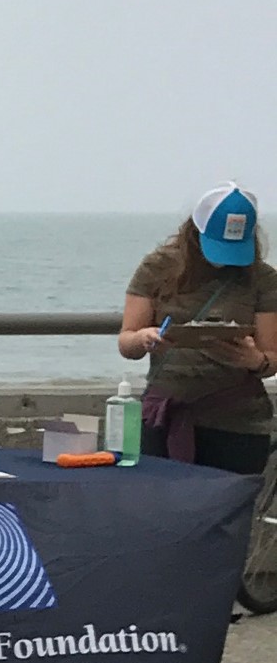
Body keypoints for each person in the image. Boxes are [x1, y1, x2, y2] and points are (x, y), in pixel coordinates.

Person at [119, 185, 277, 472]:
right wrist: (144, 338)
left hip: (238, 422)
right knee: (161, 508)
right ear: (195, 232)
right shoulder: (158, 267)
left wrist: (256, 361)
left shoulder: (262, 279)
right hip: (163, 414)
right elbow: (127, 343)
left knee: (228, 510)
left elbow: (271, 358)